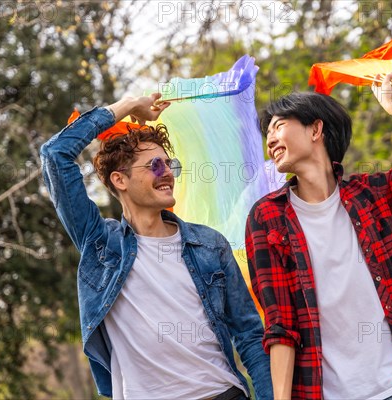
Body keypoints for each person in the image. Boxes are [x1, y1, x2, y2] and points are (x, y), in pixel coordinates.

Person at [245, 73, 392, 399]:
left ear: (315, 129)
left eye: (278, 125)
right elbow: (281, 325)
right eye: (267, 132)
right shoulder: (266, 217)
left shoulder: (372, 194)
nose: (270, 139)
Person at [40, 93, 272, 399]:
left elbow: (250, 336)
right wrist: (128, 105)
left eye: (168, 164)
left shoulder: (209, 245)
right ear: (119, 180)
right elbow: (55, 154)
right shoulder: (102, 246)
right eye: (153, 165)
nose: (167, 174)